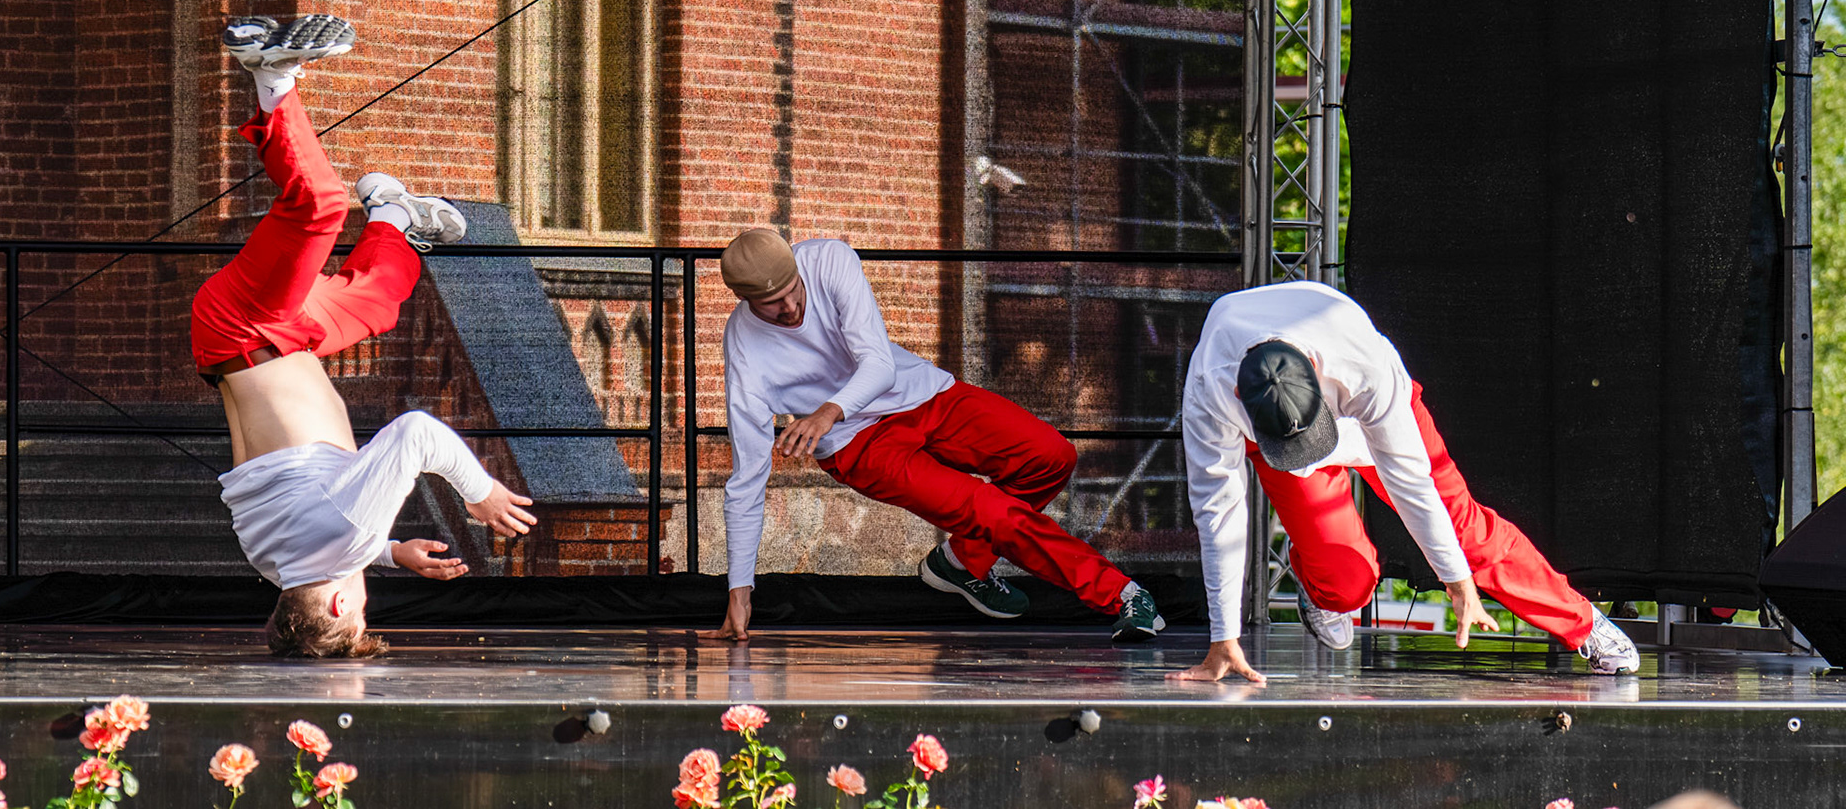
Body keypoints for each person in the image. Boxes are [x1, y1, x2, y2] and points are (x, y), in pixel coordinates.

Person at [192, 14, 538, 658]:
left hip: (250, 323)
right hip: (268, 340)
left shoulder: (341, 541)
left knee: (318, 206)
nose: (366, 599)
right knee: (374, 307)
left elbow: (417, 434)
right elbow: (328, 534)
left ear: (339, 603)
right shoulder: (275, 566)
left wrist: (481, 493)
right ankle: (392, 213)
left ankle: (274, 79)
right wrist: (392, 550)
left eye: (359, 613)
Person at [700, 228, 1164, 643]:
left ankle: (959, 562)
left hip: (918, 392)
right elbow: (748, 479)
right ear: (744, 300)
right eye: (772, 304)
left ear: (799, 269)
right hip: (861, 447)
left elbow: (878, 366)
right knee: (992, 512)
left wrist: (826, 411)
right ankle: (1122, 595)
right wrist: (740, 590)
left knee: (1051, 455)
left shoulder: (830, 261)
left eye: (792, 291)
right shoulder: (745, 352)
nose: (791, 308)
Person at [1173, 280, 1641, 685]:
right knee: (1347, 583)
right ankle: (1319, 589)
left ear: (1316, 371)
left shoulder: (1363, 360)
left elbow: (1413, 485)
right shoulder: (1208, 390)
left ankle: (1581, 623)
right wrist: (1223, 639)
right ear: (1238, 394)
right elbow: (1220, 515)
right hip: (1284, 443)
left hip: (1374, 417)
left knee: (1464, 530)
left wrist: (1457, 580)